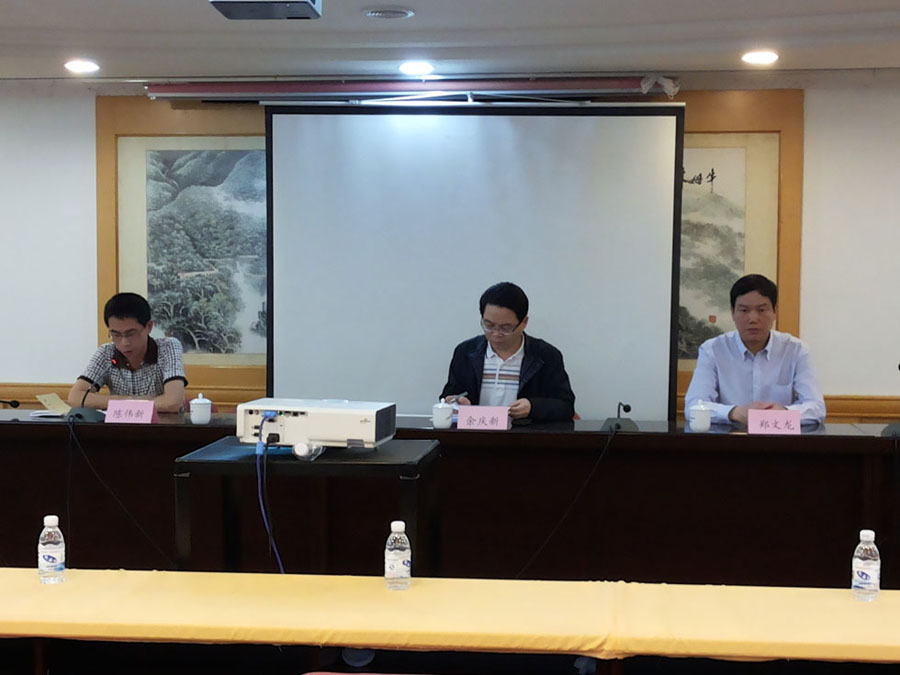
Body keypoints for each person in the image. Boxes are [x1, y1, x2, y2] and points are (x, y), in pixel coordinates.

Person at [684, 274, 825, 425]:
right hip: (729, 437)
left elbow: (817, 408)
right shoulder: (712, 350)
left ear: (775, 311)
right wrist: (734, 412)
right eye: (744, 310)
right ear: (732, 312)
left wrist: (784, 412)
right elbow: (693, 407)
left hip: (779, 437)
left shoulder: (796, 350)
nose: (753, 319)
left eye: (762, 310)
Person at [441, 282, 575, 423]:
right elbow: (448, 397)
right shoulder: (466, 352)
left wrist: (532, 407)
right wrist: (455, 403)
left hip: (524, 434)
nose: (496, 334)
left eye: (505, 328)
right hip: (476, 432)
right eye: (489, 325)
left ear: (524, 323)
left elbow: (566, 406)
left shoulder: (545, 356)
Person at [67, 292, 187, 413]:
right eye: (116, 335)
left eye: (131, 334)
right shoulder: (106, 353)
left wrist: (119, 403)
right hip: (121, 425)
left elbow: (172, 402)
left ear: (149, 326)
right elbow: (75, 398)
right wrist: (132, 400)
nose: (124, 343)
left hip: (163, 424)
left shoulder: (167, 347)